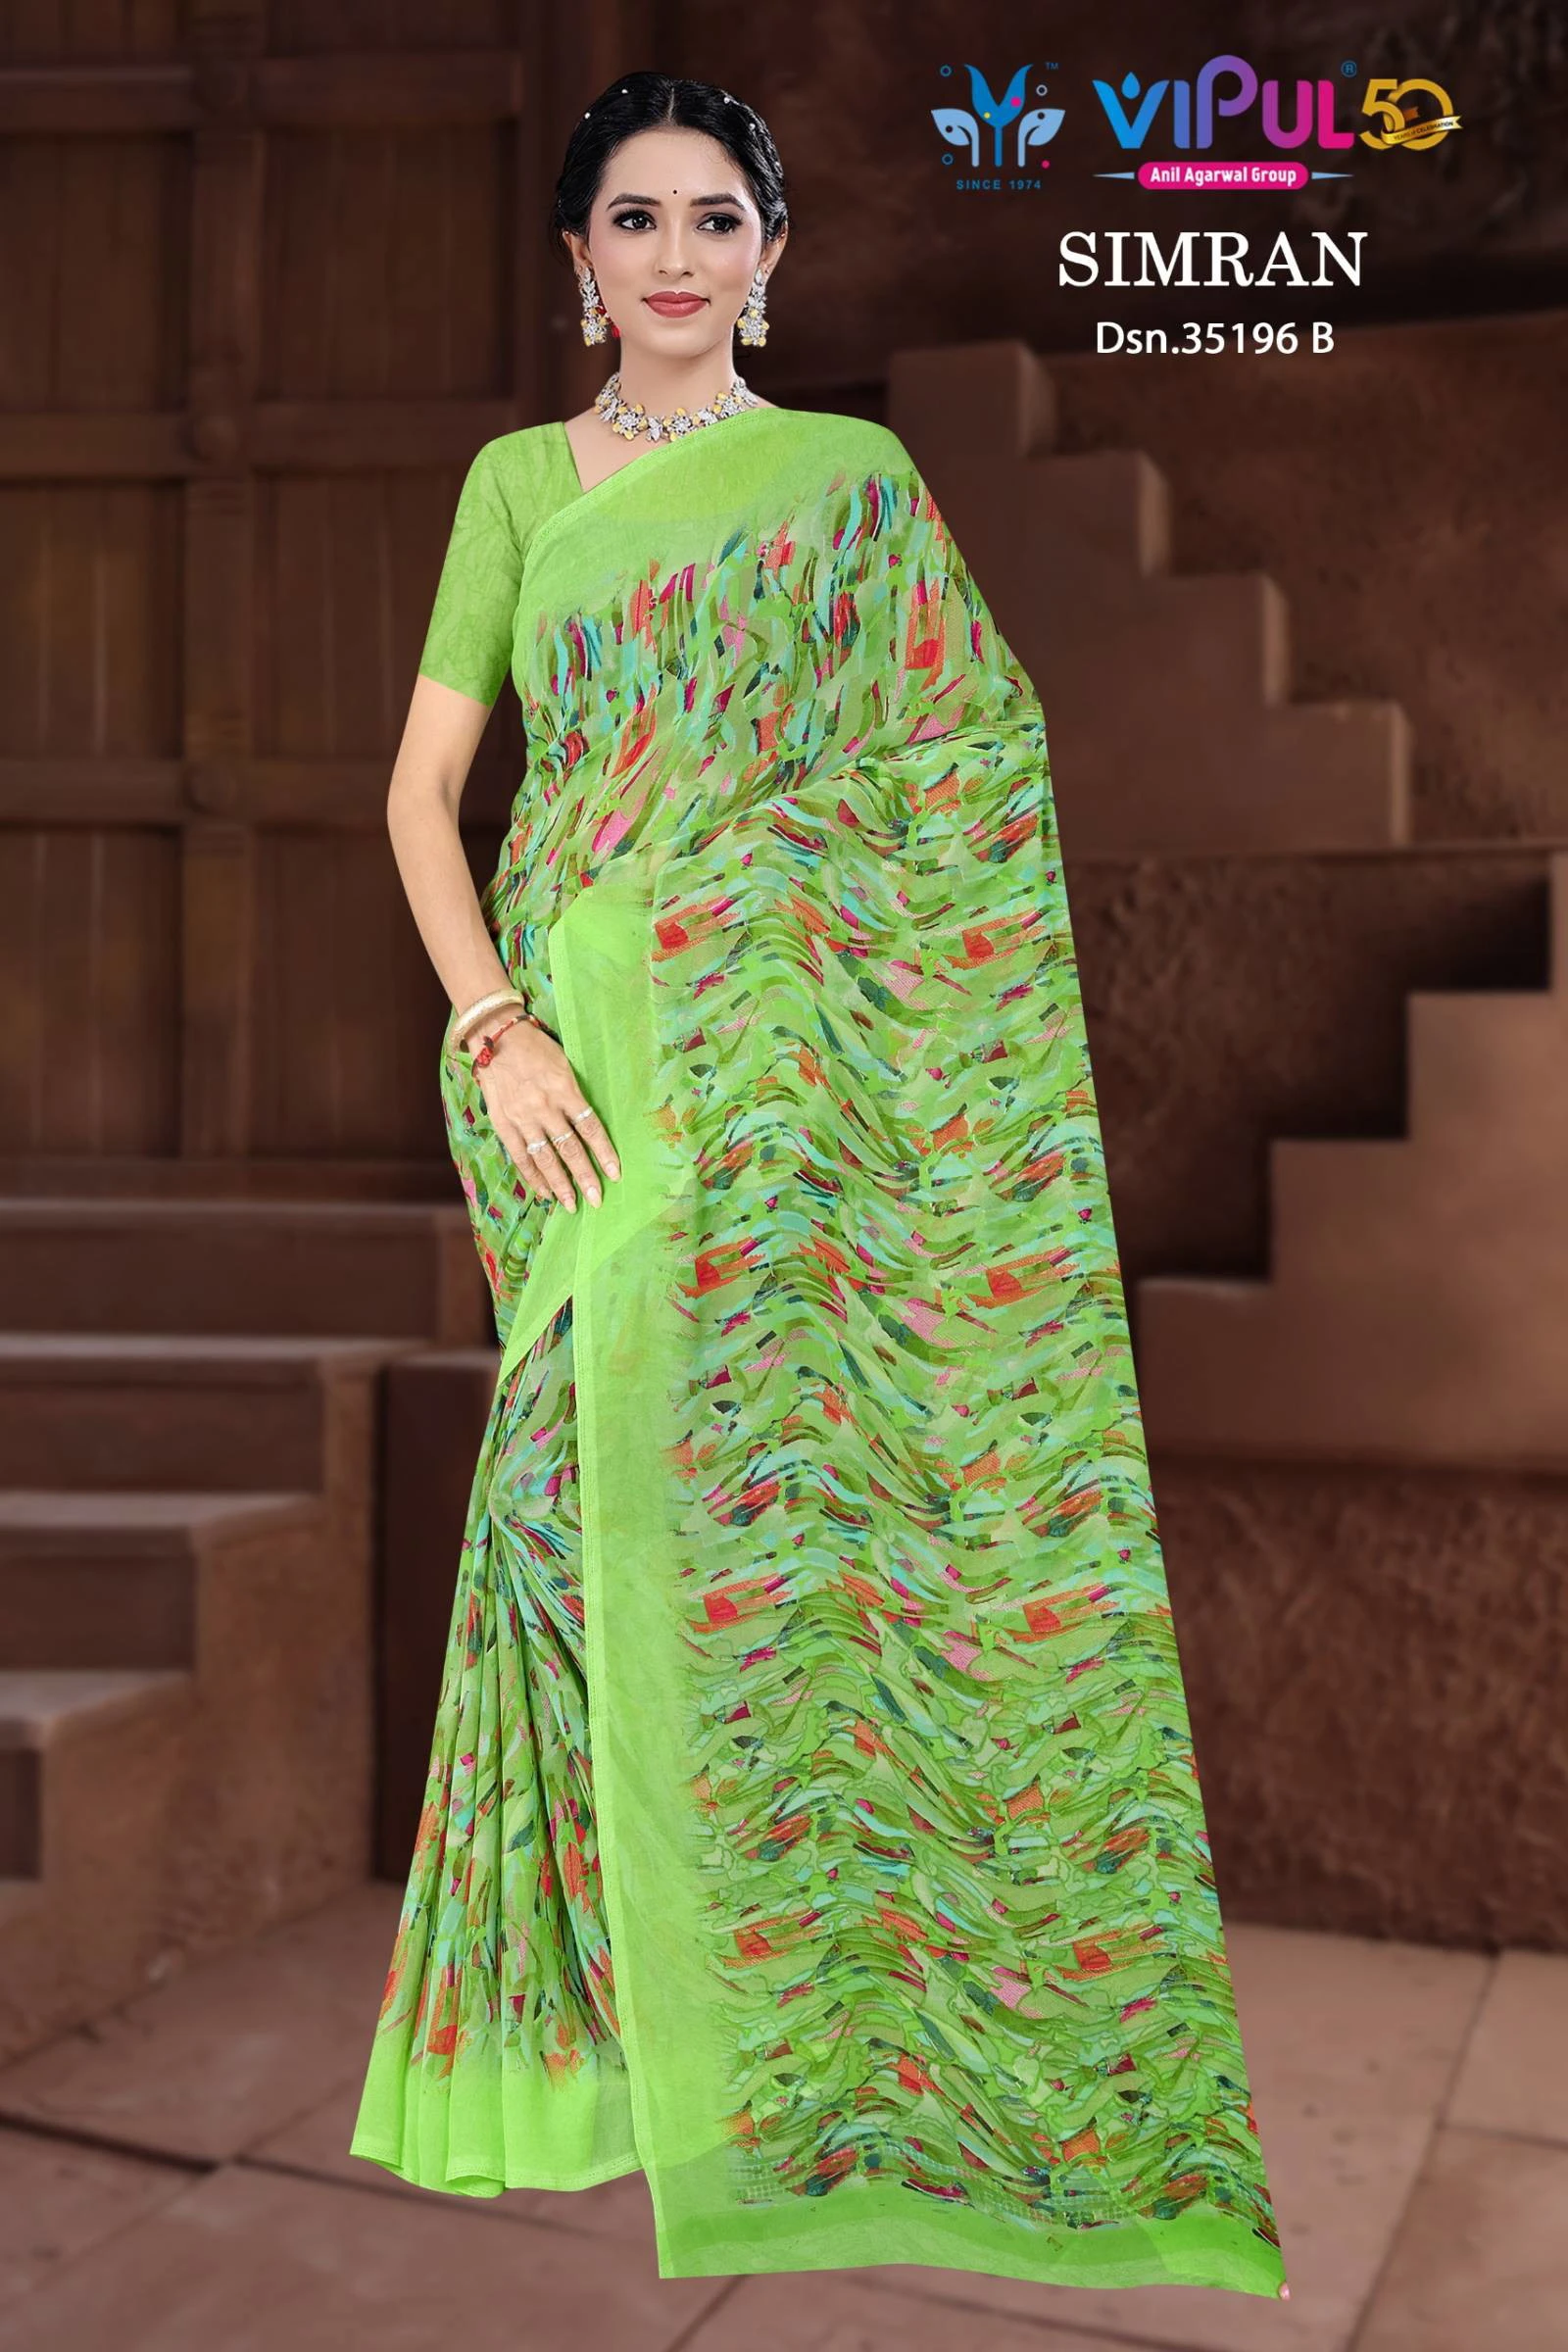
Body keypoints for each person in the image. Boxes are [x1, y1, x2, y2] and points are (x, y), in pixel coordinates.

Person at [348, 69, 1289, 2302]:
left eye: (713, 219)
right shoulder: (516, 486)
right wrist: (499, 1022)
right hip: (572, 1077)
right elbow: (418, 795)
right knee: (561, 1523)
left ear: (771, 254)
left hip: (788, 1077)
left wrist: (748, 930)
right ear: (576, 259)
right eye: (634, 219)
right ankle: (600, 2051)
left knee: (788, 1525)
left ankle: (823, 2061)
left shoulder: (849, 489)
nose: (674, 256)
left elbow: (960, 772)